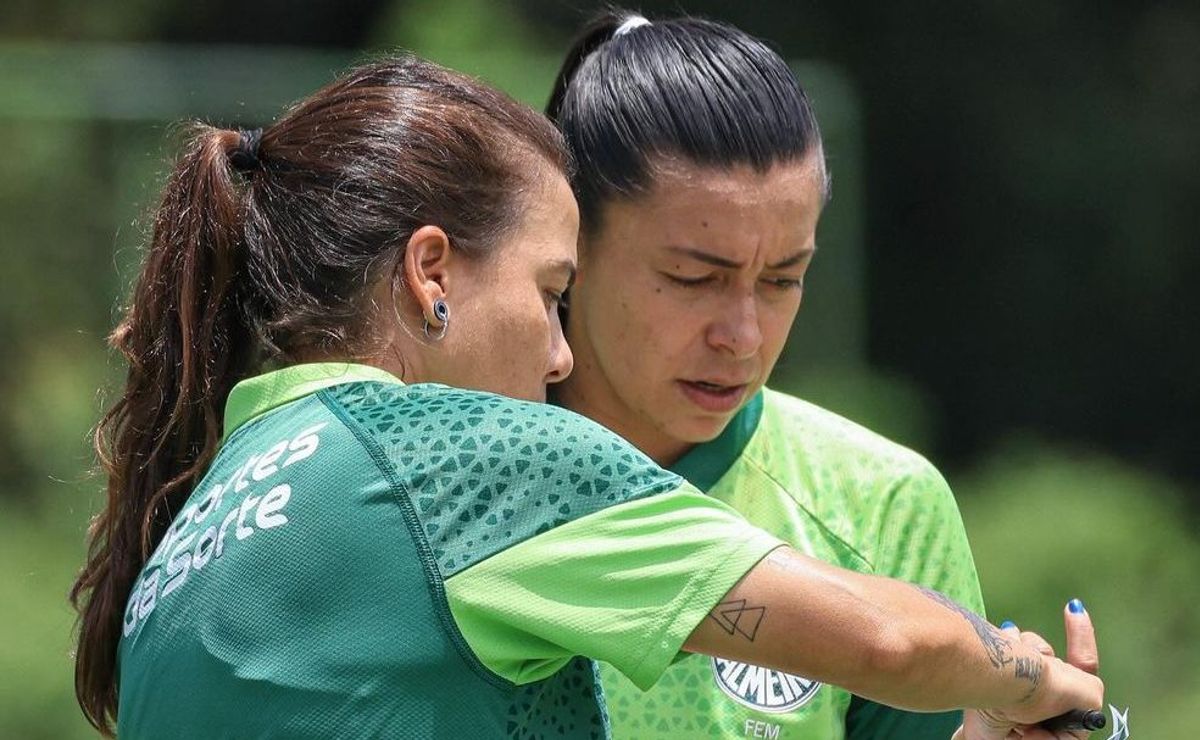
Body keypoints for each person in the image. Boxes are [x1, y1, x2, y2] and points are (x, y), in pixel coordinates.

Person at [70, 56, 1101, 739]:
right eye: (552, 291)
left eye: (784, 277)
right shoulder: (469, 462)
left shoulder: (196, 517)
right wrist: (1032, 674)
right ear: (432, 272)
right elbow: (887, 642)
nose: (559, 356)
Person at [546, 11, 1098, 740]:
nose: (742, 335)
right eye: (691, 278)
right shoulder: (450, 473)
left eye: (782, 279)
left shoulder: (881, 505)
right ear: (568, 238)